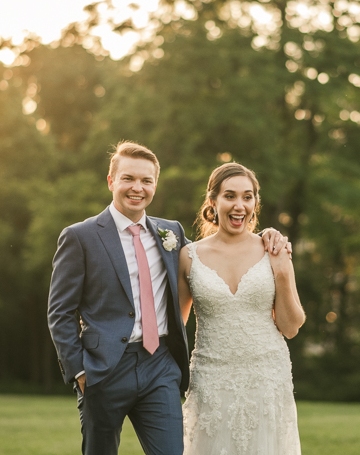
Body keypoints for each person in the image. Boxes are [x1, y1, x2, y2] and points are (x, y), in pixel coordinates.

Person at [48, 142, 288, 455]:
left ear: (155, 185)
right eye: (128, 178)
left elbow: (214, 254)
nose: (137, 188)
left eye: (146, 181)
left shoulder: (170, 233)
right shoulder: (80, 236)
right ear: (111, 181)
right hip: (103, 370)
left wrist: (268, 235)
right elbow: (60, 312)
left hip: (159, 366)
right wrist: (79, 371)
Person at [178, 162, 305, 455]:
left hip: (267, 377)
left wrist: (282, 271)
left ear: (255, 203)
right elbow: (176, 327)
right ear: (213, 201)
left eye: (247, 197)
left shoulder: (273, 249)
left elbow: (290, 326)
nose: (239, 206)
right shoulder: (189, 256)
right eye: (230, 196)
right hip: (211, 380)